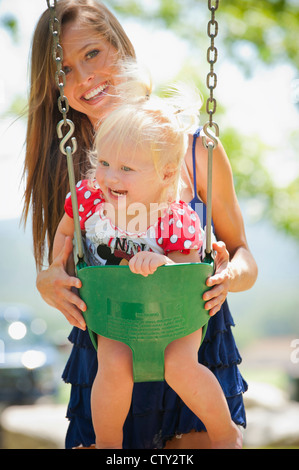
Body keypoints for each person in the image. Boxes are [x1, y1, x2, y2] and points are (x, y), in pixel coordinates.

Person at [22, 0, 258, 449]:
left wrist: (229, 276)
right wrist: (47, 279)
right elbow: (63, 254)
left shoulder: (195, 150)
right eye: (65, 69)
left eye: (92, 53)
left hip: (192, 338)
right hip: (110, 340)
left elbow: (243, 252)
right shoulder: (74, 165)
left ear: (120, 47)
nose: (84, 77)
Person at [52, 74, 243, 449]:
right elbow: (65, 230)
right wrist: (58, 261)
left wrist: (162, 262)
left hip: (173, 314)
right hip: (118, 311)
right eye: (103, 162)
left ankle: (225, 434)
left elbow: (188, 263)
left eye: (126, 169)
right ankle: (107, 445)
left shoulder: (172, 216)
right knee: (112, 366)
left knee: (182, 367)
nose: (108, 176)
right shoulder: (90, 198)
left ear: (166, 174)